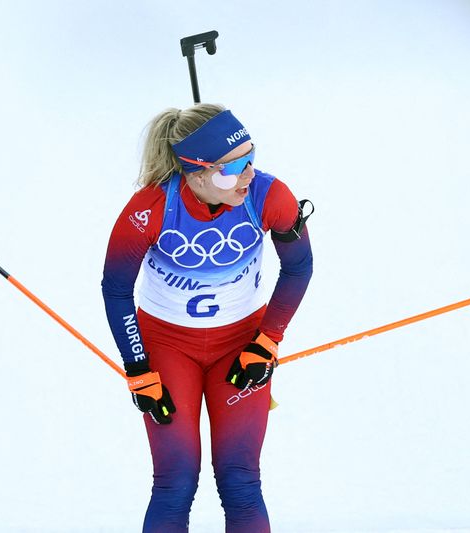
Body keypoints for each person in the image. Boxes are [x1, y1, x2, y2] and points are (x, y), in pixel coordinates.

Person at [101, 103, 313, 532]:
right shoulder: (150, 209)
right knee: (175, 482)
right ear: (194, 172)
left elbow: (299, 268)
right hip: (166, 346)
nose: (248, 174)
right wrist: (138, 367)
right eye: (233, 167)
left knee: (240, 481)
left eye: (251, 159)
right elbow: (116, 288)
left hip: (241, 345)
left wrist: (267, 341)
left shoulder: (269, 197)